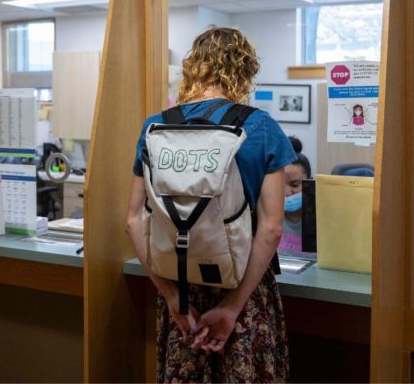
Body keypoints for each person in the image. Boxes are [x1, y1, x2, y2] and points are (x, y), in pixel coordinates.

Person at [125, 27, 296, 382]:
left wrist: (174, 298)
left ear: (193, 68)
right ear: (245, 71)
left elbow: (132, 221)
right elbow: (272, 227)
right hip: (242, 290)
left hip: (181, 284)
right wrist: (232, 308)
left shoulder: (156, 127)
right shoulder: (260, 127)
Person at [277, 136, 315, 259]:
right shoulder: (268, 216)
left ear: (310, 182)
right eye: (279, 185)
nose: (287, 193)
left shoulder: (320, 217)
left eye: (295, 184)